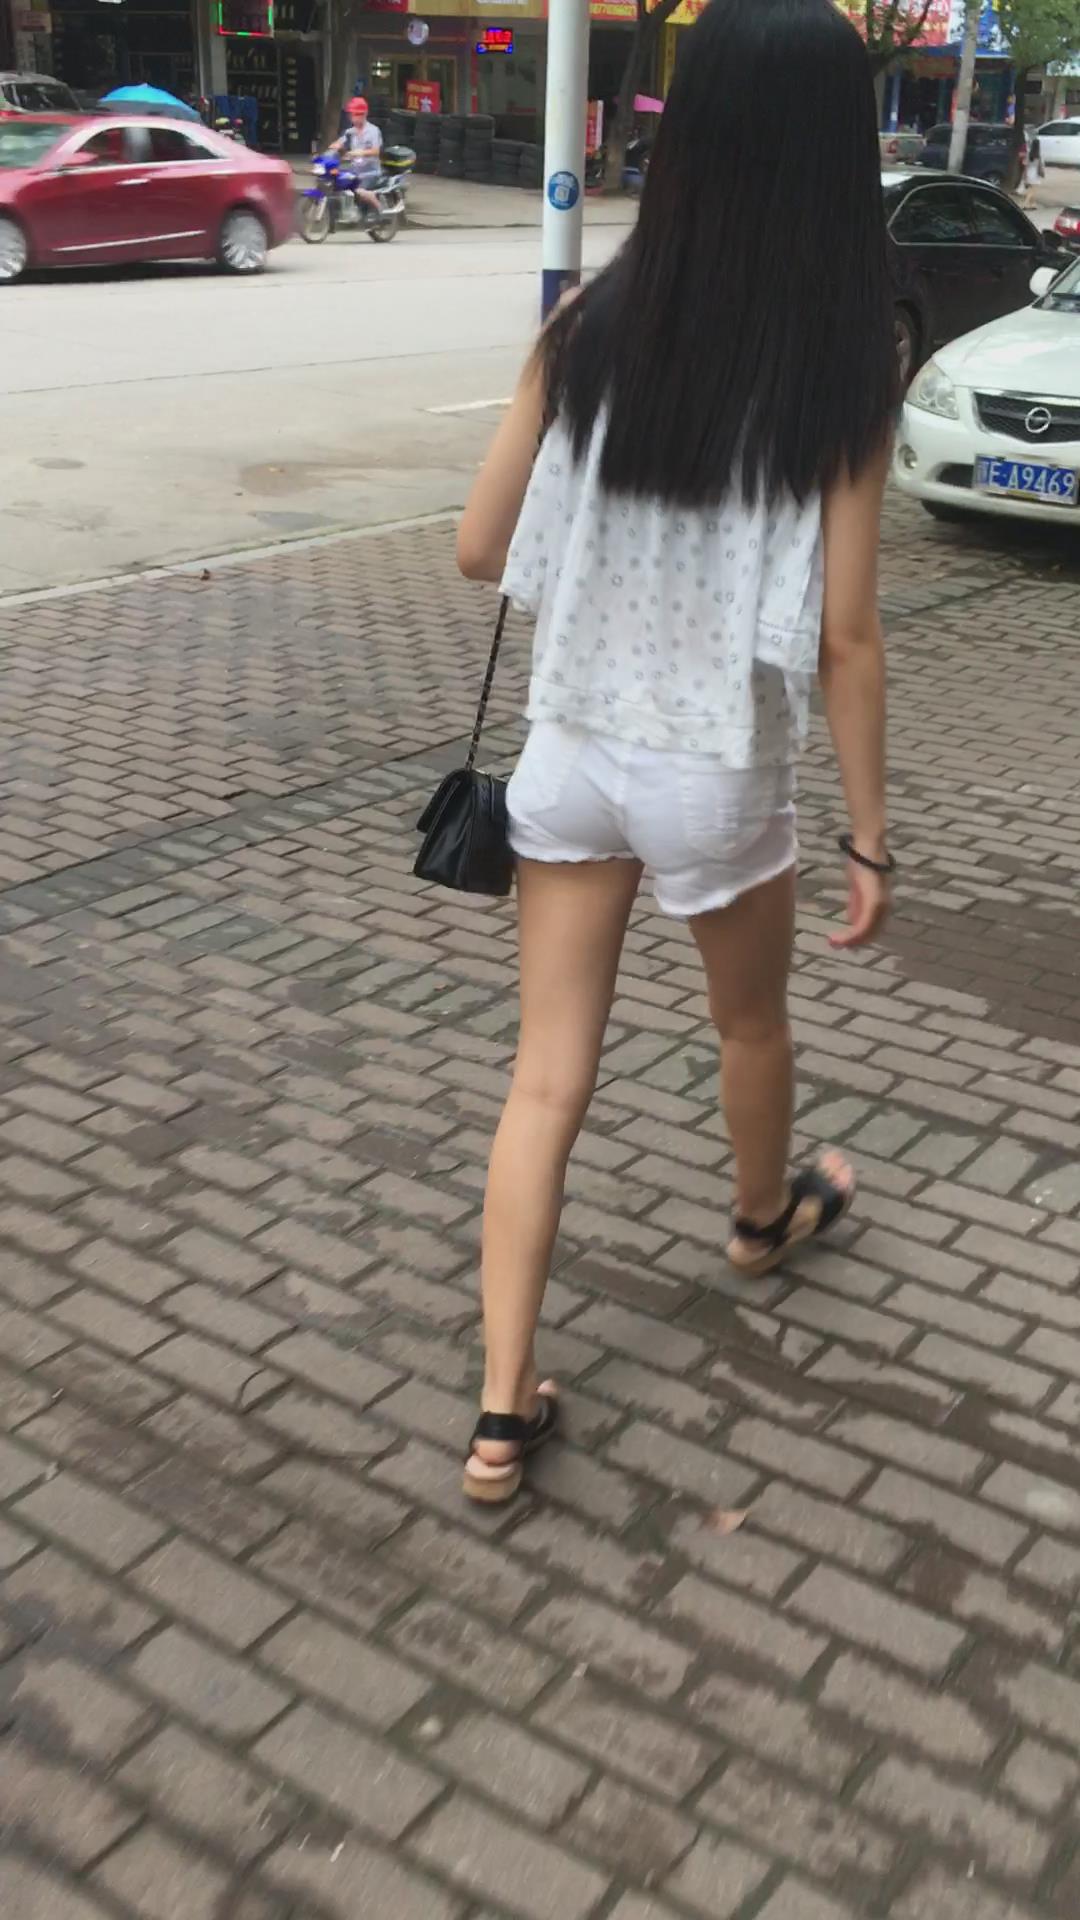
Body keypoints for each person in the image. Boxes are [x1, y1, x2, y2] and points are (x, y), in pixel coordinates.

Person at [455, 0, 896, 1504]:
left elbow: (478, 549)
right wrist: (871, 836)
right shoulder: (841, 370)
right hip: (715, 769)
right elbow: (846, 640)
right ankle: (763, 1219)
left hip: (571, 758)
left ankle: (501, 1412)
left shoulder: (582, 330)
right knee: (749, 1026)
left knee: (544, 1080)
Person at [332, 96, 383, 217]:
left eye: (356, 114)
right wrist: (332, 149)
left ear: (364, 114)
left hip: (371, 172)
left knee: (357, 188)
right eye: (352, 115)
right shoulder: (350, 132)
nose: (353, 118)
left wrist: (359, 152)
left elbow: (376, 151)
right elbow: (339, 143)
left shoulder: (373, 131)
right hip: (355, 170)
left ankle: (380, 208)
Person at [1021, 134, 1045, 211]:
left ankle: (1033, 204)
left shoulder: (1029, 154)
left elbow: (1025, 165)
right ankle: (1025, 204)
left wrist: (1025, 176)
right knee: (1032, 191)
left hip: (1029, 173)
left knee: (1031, 189)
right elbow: (1041, 166)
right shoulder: (1039, 156)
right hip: (1035, 174)